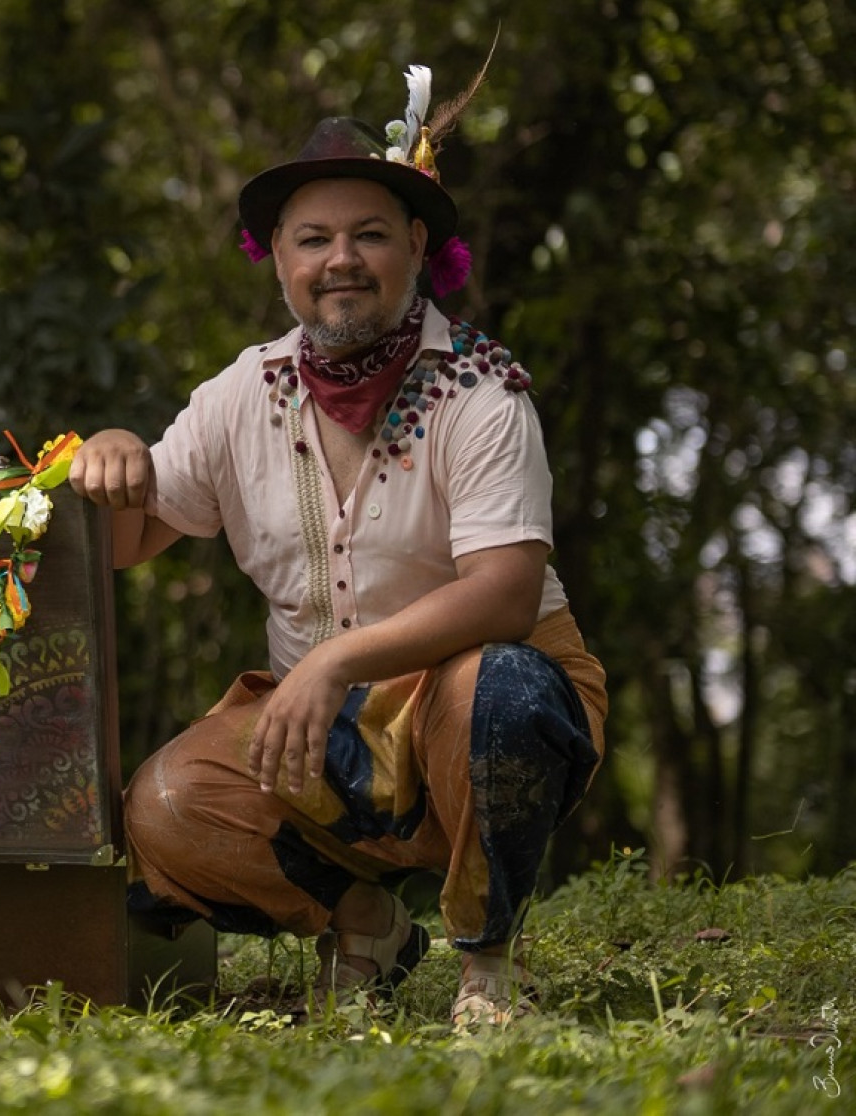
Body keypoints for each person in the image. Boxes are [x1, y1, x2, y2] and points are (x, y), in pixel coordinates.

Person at [69, 82, 607, 1027]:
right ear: (276, 261)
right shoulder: (243, 393)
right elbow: (128, 542)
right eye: (312, 239)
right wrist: (110, 454)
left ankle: (487, 966)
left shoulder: (480, 389)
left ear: (416, 252)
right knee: (160, 805)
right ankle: (366, 924)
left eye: (368, 234)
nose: (340, 260)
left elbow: (506, 594)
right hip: (324, 728)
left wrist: (333, 659)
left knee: (504, 692)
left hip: (472, 699)